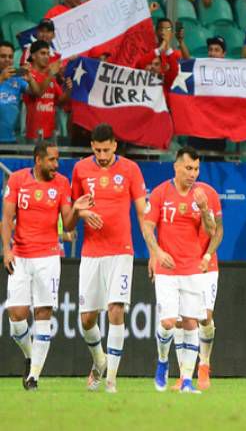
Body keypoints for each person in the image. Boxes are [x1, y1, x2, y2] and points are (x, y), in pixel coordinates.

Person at [2, 140, 93, 390]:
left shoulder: (62, 183)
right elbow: (7, 218)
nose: (57, 164)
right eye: (52, 159)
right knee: (16, 319)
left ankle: (33, 376)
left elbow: (68, 222)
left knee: (43, 312)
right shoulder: (18, 180)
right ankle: (30, 355)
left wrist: (76, 209)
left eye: (58, 159)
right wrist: (6, 250)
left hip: (49, 256)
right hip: (20, 256)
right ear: (38, 159)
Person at [70, 124, 147, 394]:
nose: (102, 155)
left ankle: (112, 380)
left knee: (116, 310)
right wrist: (80, 214)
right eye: (98, 149)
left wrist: (154, 250)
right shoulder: (80, 170)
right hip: (91, 253)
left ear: (115, 145)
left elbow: (142, 213)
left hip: (121, 251)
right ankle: (99, 361)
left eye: (107, 149)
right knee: (87, 319)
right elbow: (69, 215)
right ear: (92, 146)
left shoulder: (130, 169)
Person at [143, 146, 223, 394]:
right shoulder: (159, 193)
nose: (193, 173)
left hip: (194, 268)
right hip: (168, 268)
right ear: (176, 167)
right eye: (189, 168)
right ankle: (163, 361)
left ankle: (187, 380)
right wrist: (156, 252)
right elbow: (147, 227)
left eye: (196, 168)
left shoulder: (205, 194)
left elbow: (213, 231)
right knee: (168, 322)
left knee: (192, 322)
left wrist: (204, 210)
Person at [24, 41, 71, 141]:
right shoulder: (28, 75)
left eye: (47, 54)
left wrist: (68, 90)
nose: (46, 57)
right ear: (33, 56)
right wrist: (50, 75)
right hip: (33, 134)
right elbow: (38, 93)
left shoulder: (51, 78)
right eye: (42, 53)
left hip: (51, 133)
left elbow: (61, 101)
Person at [0, 41, 42, 143]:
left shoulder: (17, 78)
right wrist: (1, 78)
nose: (7, 59)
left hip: (11, 140)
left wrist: (30, 79)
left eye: (10, 57)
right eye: (3, 56)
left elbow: (37, 93)